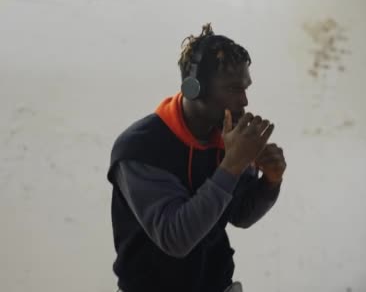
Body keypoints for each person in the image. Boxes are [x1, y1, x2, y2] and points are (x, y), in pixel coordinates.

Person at [106, 24, 286, 292]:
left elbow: (241, 215)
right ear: (193, 89)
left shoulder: (226, 137)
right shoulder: (139, 148)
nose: (245, 101)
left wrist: (270, 182)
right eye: (234, 89)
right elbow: (176, 238)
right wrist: (233, 165)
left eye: (246, 87)